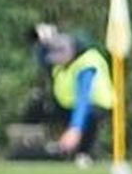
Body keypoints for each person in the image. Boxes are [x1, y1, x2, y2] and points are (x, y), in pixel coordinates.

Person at [13, 25, 112, 166]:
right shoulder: (59, 63)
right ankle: (33, 145)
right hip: (67, 105)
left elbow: (83, 99)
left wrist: (75, 129)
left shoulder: (87, 62)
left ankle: (84, 153)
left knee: (90, 117)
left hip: (93, 105)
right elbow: (41, 58)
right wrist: (43, 38)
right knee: (37, 104)